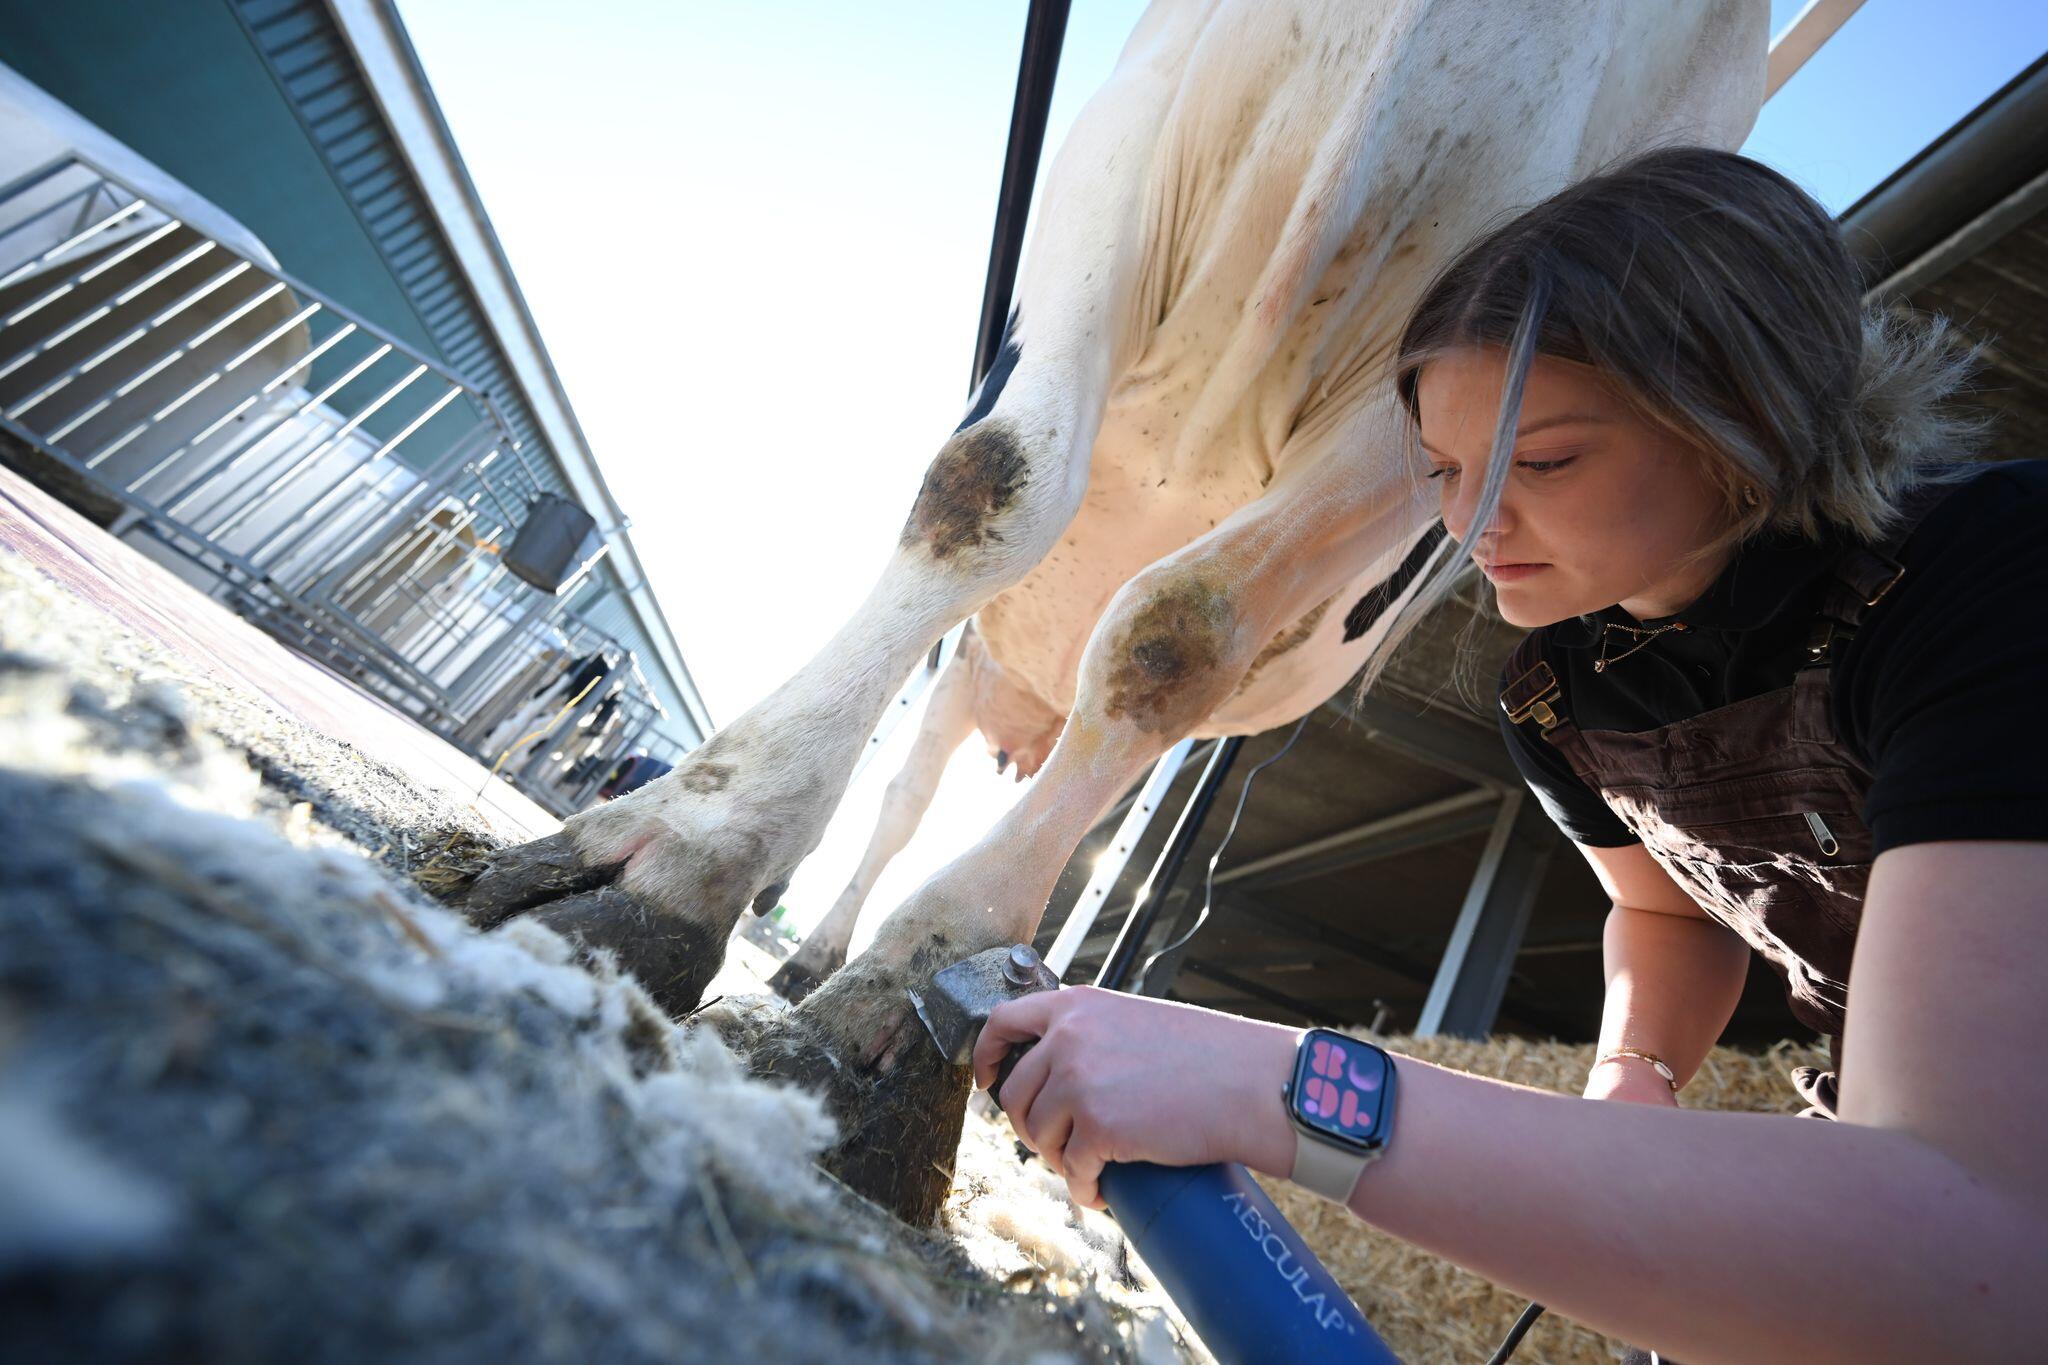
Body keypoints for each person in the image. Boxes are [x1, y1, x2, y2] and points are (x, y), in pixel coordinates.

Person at [970, 147, 2047, 1361]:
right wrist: (1634, 1069)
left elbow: (1977, 1243)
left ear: (1745, 416)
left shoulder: (1990, 579)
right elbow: (1667, 909)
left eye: (1542, 462)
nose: (1471, 520)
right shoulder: (1557, 693)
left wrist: (1280, 1091)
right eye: (1445, 470)